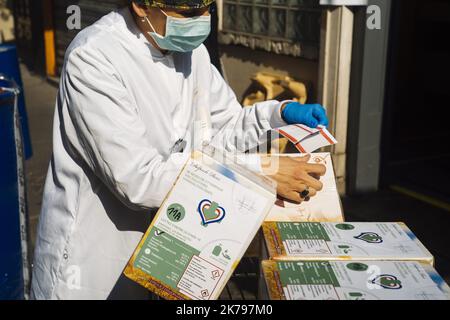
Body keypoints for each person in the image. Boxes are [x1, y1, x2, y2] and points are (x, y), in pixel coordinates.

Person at [31, 0, 329, 300]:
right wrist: (261, 173)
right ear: (141, 7)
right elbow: (138, 180)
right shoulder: (94, 57)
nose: (200, 20)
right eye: (187, 13)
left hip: (169, 249)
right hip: (95, 266)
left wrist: (278, 114)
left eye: (207, 9)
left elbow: (224, 127)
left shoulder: (193, 53)